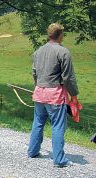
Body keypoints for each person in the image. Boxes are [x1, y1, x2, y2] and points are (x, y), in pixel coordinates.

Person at [27, 23, 82, 168]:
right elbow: (68, 77)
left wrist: (38, 86)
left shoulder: (38, 51)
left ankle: (32, 151)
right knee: (58, 126)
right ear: (60, 35)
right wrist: (74, 96)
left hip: (39, 92)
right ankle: (59, 160)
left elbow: (34, 73)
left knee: (38, 122)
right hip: (55, 95)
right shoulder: (63, 52)